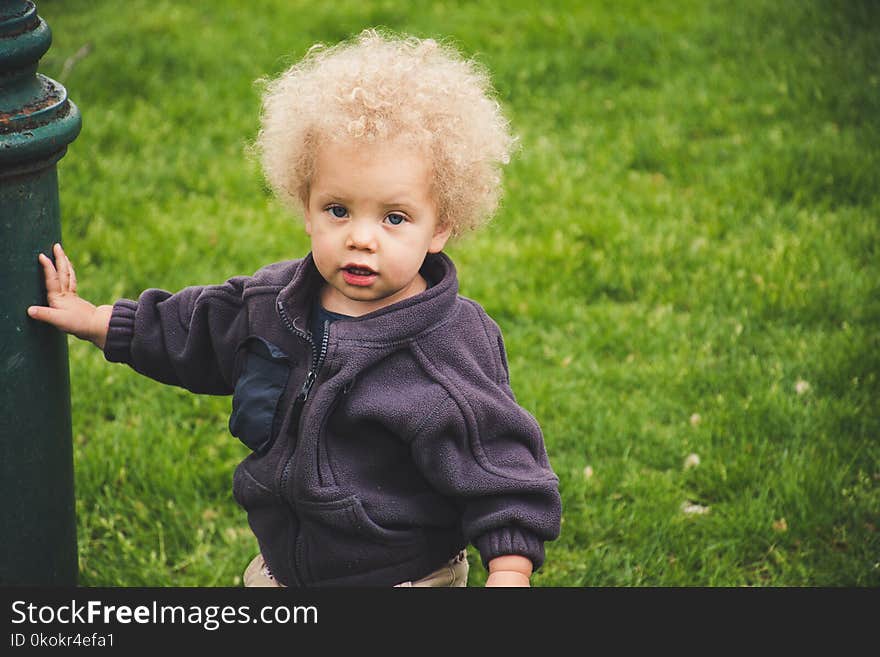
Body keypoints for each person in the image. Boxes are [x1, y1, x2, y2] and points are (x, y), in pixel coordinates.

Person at [26, 29, 561, 587]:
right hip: (282, 571)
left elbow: (501, 468)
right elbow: (192, 330)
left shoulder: (447, 346)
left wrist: (509, 570)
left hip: (401, 577)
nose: (361, 238)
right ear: (304, 207)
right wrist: (95, 320)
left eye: (394, 218)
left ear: (442, 227)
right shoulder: (272, 304)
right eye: (337, 209)